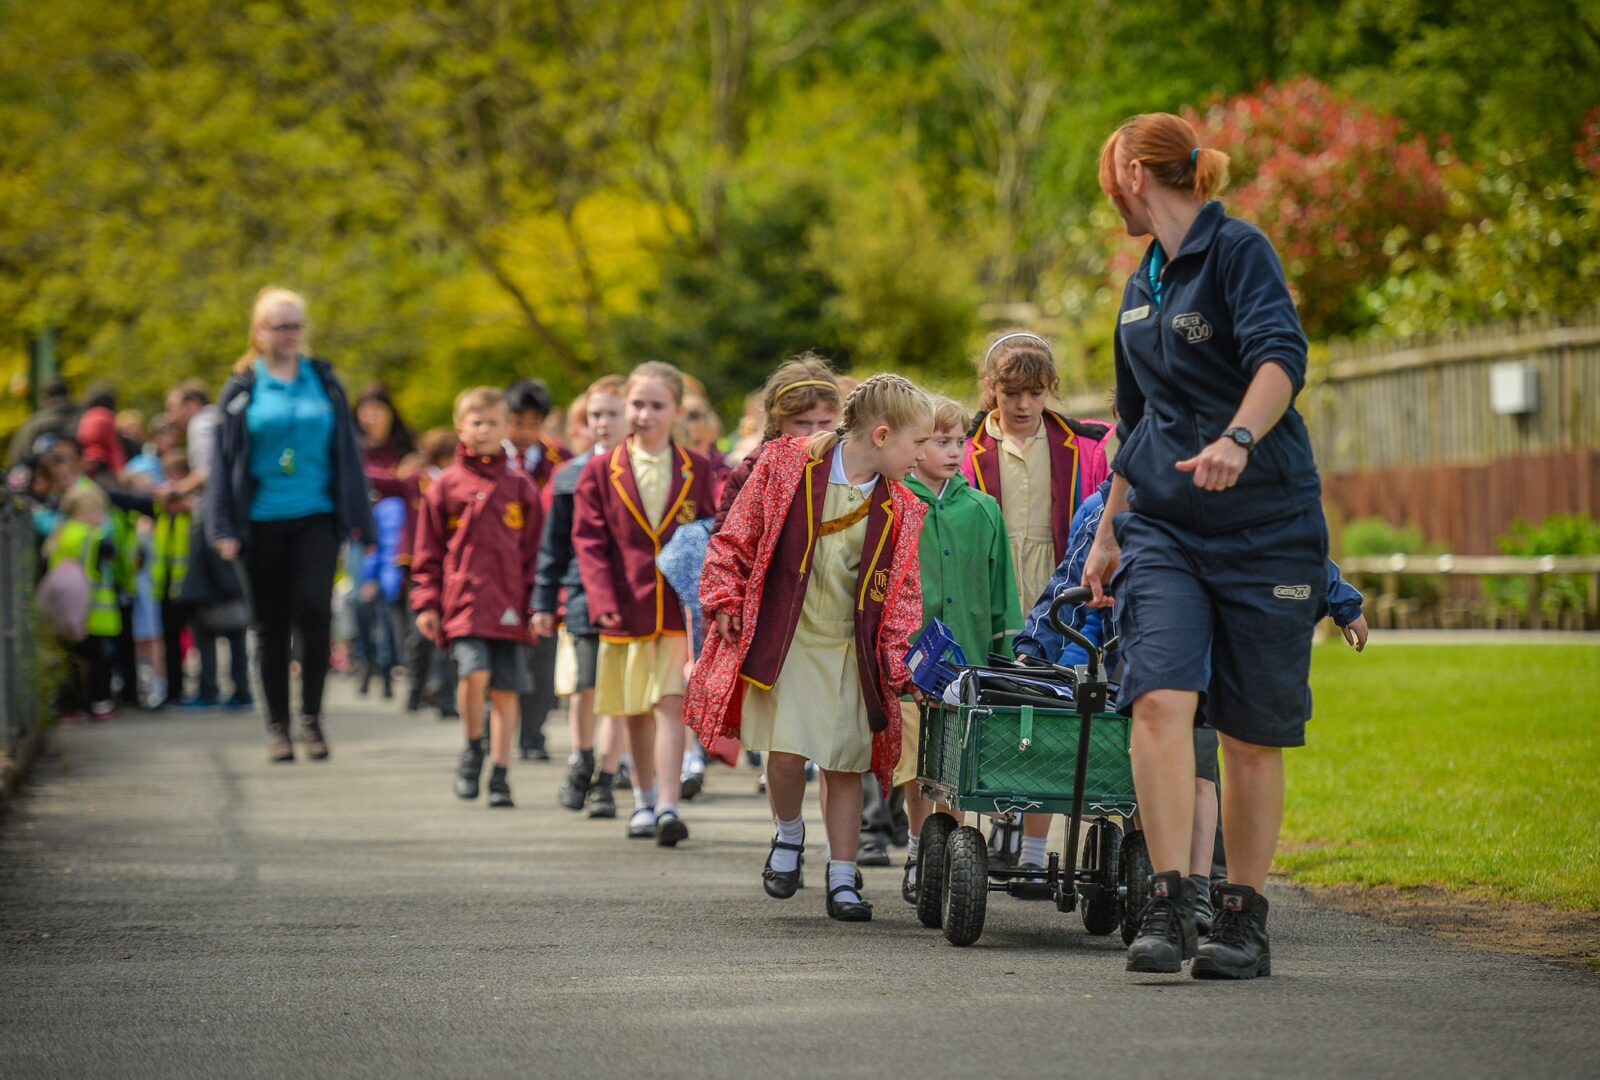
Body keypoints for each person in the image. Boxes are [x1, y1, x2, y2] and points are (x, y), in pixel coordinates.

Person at [1083, 113, 1330, 979]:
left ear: (1134, 175)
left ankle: (1243, 918)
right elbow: (1134, 421)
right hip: (1163, 527)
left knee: (1252, 735)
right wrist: (1109, 530)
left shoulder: (1238, 251)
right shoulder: (1139, 282)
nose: (1105, 194)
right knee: (1159, 699)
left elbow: (1279, 360)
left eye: (1107, 177)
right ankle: (1168, 902)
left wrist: (1238, 440)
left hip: (1266, 527)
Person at [686, 374, 933, 923]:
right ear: (883, 435)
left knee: (845, 759)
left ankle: (843, 876)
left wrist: (897, 660)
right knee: (787, 748)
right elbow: (736, 534)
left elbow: (903, 593)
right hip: (788, 635)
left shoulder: (906, 508)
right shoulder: (785, 464)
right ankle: (788, 835)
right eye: (917, 444)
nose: (923, 455)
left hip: (850, 645)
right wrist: (724, 595)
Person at [962, 330, 1112, 880]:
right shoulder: (966, 448)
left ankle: (1031, 850)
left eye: (1036, 392)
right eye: (1011, 393)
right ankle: (982, 825)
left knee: (1050, 716)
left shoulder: (1084, 446)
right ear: (991, 391)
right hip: (993, 593)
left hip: (1059, 595)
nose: (1024, 405)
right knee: (992, 709)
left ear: (1050, 390)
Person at [206, 286, 376, 764]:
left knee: (315, 613)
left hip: (317, 516)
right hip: (259, 522)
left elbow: (348, 454)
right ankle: (278, 726)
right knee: (271, 625)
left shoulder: (324, 381)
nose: (290, 335)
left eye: (296, 325)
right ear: (259, 332)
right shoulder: (241, 387)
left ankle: (312, 719)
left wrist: (360, 519)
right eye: (280, 326)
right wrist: (221, 527)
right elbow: (223, 462)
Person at [572, 361, 718, 847]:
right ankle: (643, 798)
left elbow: (711, 532)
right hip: (625, 606)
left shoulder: (698, 469)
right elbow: (589, 540)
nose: (644, 414)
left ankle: (670, 806)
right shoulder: (599, 469)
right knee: (634, 707)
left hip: (678, 610)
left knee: (670, 705)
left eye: (657, 405)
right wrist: (601, 599)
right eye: (637, 404)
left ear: (677, 410)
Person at [895, 396, 1020, 903]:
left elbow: (1001, 592)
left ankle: (947, 855)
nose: (953, 452)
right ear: (916, 445)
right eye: (939, 442)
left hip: (966, 663)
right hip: (910, 663)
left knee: (958, 763)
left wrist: (1005, 651)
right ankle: (915, 848)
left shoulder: (983, 508)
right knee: (916, 763)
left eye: (959, 441)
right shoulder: (895, 501)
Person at [411, 387, 544, 810]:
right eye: (476, 422)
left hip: (510, 603)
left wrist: (538, 603)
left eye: (492, 422)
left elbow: (536, 553)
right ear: (460, 428)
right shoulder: (444, 486)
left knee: (506, 690)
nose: (484, 429)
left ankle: (501, 772)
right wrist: (427, 602)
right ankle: (472, 748)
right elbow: (428, 552)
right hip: (464, 603)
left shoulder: (520, 486)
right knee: (473, 675)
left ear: (506, 428)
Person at [534, 376, 628, 817]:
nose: (603, 423)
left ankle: (607, 780)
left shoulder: (646, 473)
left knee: (619, 692)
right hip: (581, 592)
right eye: (595, 415)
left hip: (634, 594)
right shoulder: (569, 475)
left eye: (612, 413)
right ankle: (581, 761)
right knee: (585, 685)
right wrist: (542, 600)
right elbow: (552, 546)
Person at [166, 379, 250, 711]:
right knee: (233, 609)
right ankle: (237, 688)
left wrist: (174, 491)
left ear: (190, 404)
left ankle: (212, 688)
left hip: (212, 524)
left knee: (204, 611)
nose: (172, 417)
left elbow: (209, 472)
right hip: (231, 523)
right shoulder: (220, 419)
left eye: (174, 407)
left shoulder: (202, 424)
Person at [505, 377, 570, 763]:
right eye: (518, 422)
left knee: (543, 652)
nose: (526, 432)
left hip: (545, 565)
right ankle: (500, 728)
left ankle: (533, 732)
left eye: (534, 424)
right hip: (501, 569)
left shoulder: (559, 459)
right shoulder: (493, 458)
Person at [45, 483, 122, 719]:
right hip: (94, 610)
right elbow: (102, 569)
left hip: (64, 609)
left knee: (70, 659)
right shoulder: (95, 537)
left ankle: (70, 707)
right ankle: (100, 703)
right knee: (99, 661)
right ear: (88, 512)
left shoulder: (59, 536)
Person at [8, 378, 79, 468]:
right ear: (68, 395)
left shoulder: (35, 423)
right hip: (80, 478)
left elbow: (17, 456)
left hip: (44, 476)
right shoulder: (82, 417)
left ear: (46, 397)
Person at [354, 383, 416, 472]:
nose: (371, 418)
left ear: (390, 413)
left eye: (376, 411)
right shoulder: (352, 442)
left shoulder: (406, 442)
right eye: (365, 411)